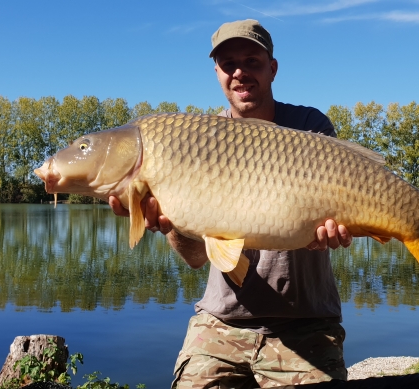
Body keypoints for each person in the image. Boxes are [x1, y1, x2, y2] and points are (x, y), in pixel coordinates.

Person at [108, 19, 352, 388]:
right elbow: (194, 257)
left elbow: (329, 226)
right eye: (228, 64)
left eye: (252, 61)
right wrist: (170, 224)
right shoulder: (195, 141)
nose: (240, 73)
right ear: (217, 73)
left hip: (306, 322)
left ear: (272, 68)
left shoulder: (308, 126)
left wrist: (332, 232)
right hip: (221, 323)